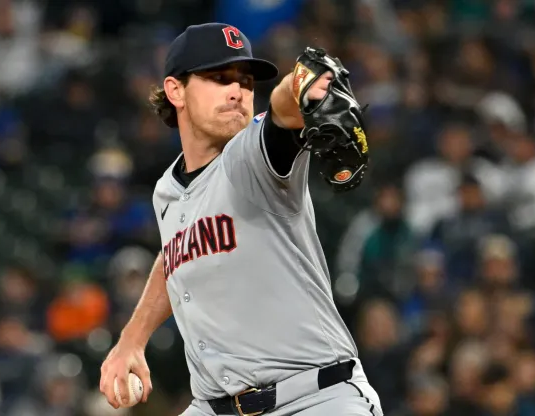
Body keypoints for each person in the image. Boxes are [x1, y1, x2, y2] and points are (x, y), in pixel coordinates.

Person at [99, 22, 382, 416]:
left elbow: (282, 111)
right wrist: (132, 338)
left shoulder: (250, 155)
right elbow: (176, 256)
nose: (238, 91)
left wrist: (300, 86)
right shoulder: (166, 191)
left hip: (314, 398)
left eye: (246, 82)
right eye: (219, 78)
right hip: (214, 407)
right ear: (175, 90)